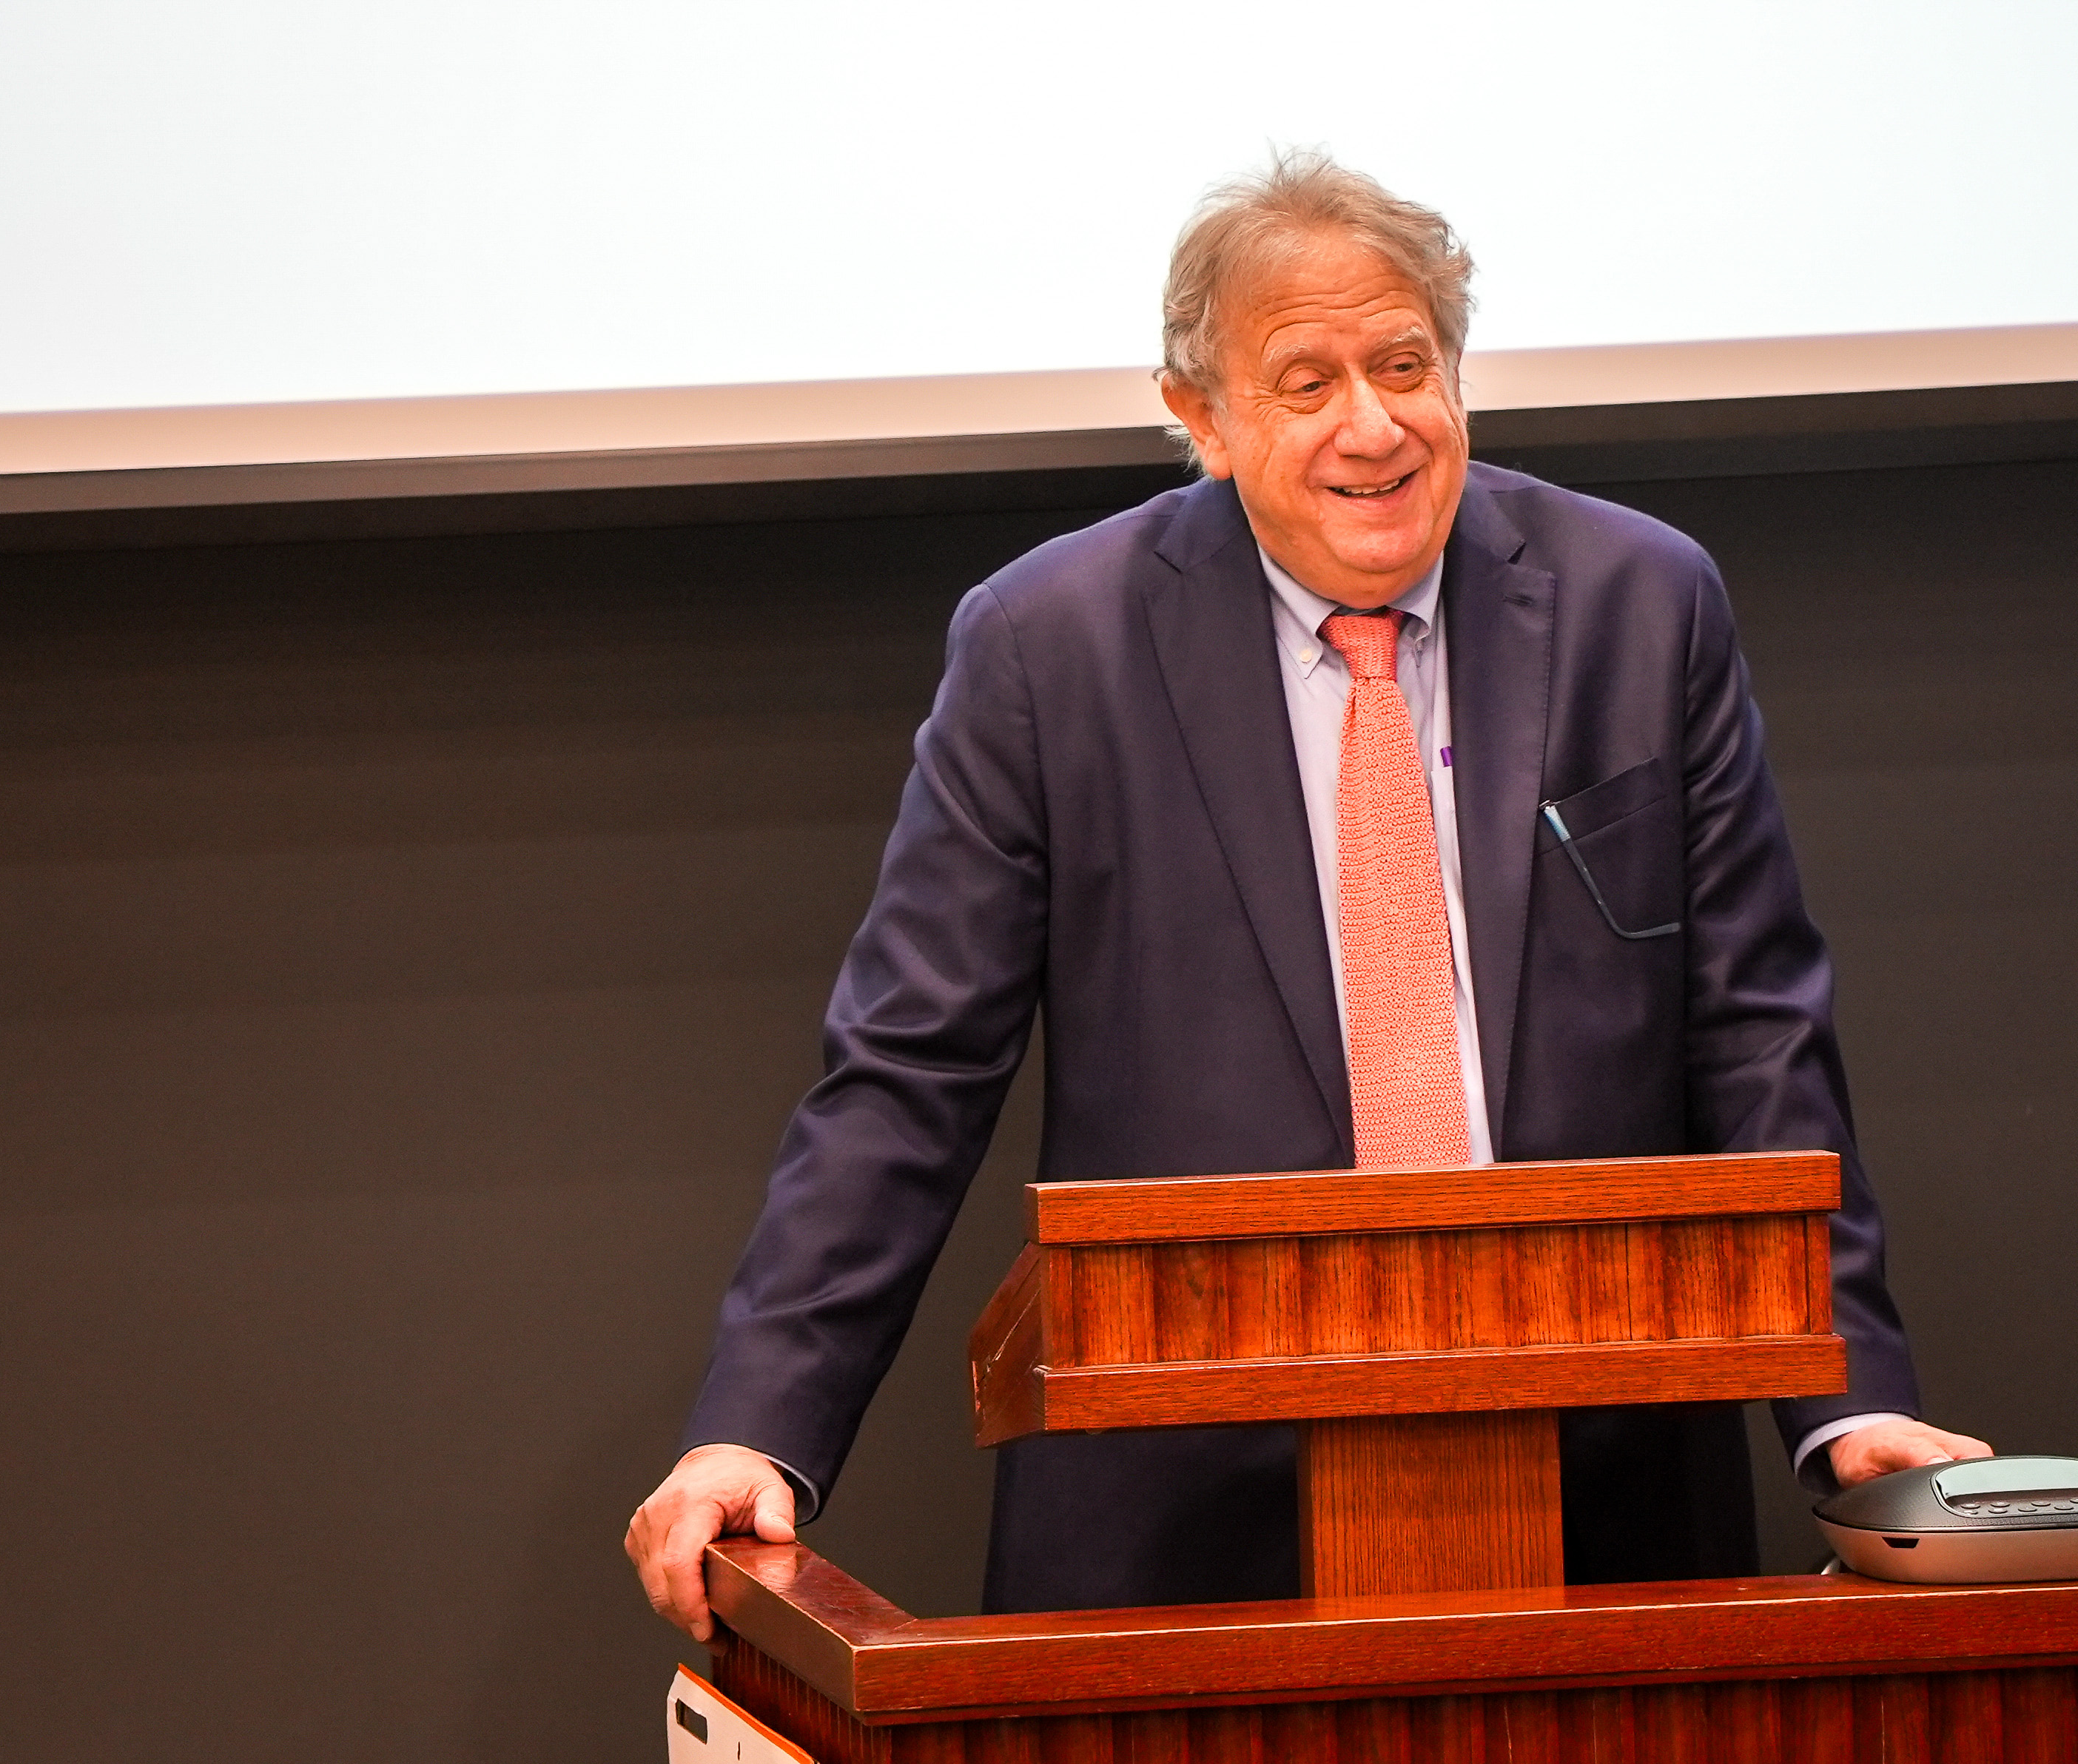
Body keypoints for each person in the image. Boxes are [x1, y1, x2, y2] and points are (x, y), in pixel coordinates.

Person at [627, 152, 1985, 1637]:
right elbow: (909, 1071)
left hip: (1604, 1489)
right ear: (1201, 418)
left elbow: (1758, 1035)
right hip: (1181, 1521)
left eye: (1404, 366)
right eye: (1306, 382)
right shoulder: (1047, 647)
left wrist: (1848, 1403)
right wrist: (757, 1426)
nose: (1373, 426)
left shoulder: (1639, 602)